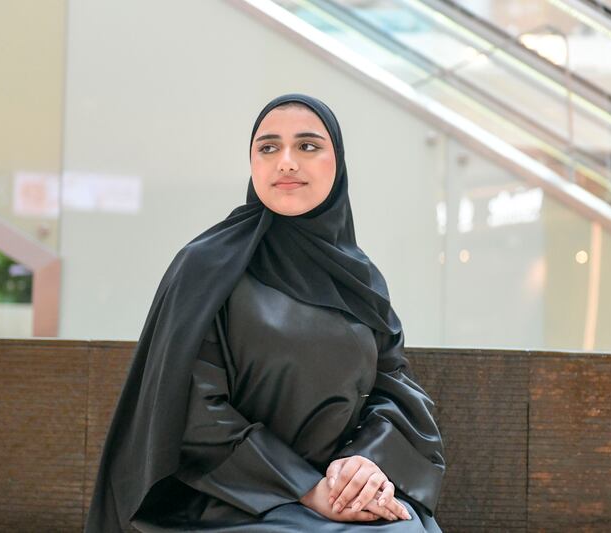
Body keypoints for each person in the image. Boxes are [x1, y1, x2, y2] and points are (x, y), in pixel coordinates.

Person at [84, 93, 446, 532]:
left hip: (340, 494)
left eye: (308, 146)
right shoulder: (208, 267)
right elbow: (192, 412)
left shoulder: (360, 278)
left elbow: (395, 389)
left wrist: (365, 465)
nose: (286, 162)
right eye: (268, 147)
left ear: (338, 164)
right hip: (225, 501)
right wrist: (306, 489)